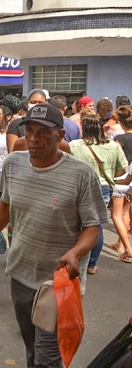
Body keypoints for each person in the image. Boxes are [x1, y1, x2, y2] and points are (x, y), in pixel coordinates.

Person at [0, 103, 108, 367]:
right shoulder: (13, 164)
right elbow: (5, 208)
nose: (34, 139)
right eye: (29, 131)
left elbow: (93, 226)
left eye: (43, 132)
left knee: (47, 357)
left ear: (60, 135)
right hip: (21, 274)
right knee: (32, 349)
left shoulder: (81, 175)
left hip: (57, 282)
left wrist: (76, 252)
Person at [69, 115, 127, 275]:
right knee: (97, 225)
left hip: (79, 186)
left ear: (84, 127)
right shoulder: (113, 146)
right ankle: (92, 263)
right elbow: (122, 168)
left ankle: (76, 257)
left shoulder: (75, 145)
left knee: (77, 223)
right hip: (104, 187)